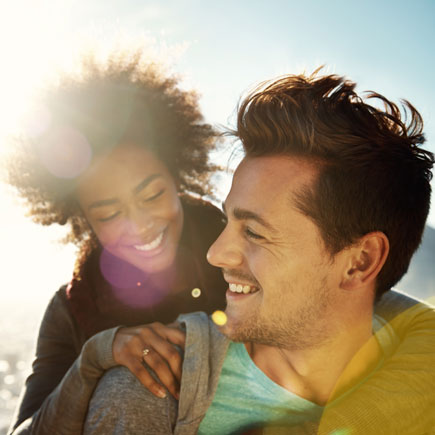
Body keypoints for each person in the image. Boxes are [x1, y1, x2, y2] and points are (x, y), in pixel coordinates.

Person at [81, 71, 435, 434]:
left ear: (359, 262)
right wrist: (93, 357)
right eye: (227, 222)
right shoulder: (148, 394)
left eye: (253, 232)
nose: (215, 254)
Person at [6, 50, 227, 434]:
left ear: (176, 177)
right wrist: (95, 357)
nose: (140, 226)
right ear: (85, 220)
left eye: (152, 195)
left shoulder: (241, 259)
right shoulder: (72, 308)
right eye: (109, 214)